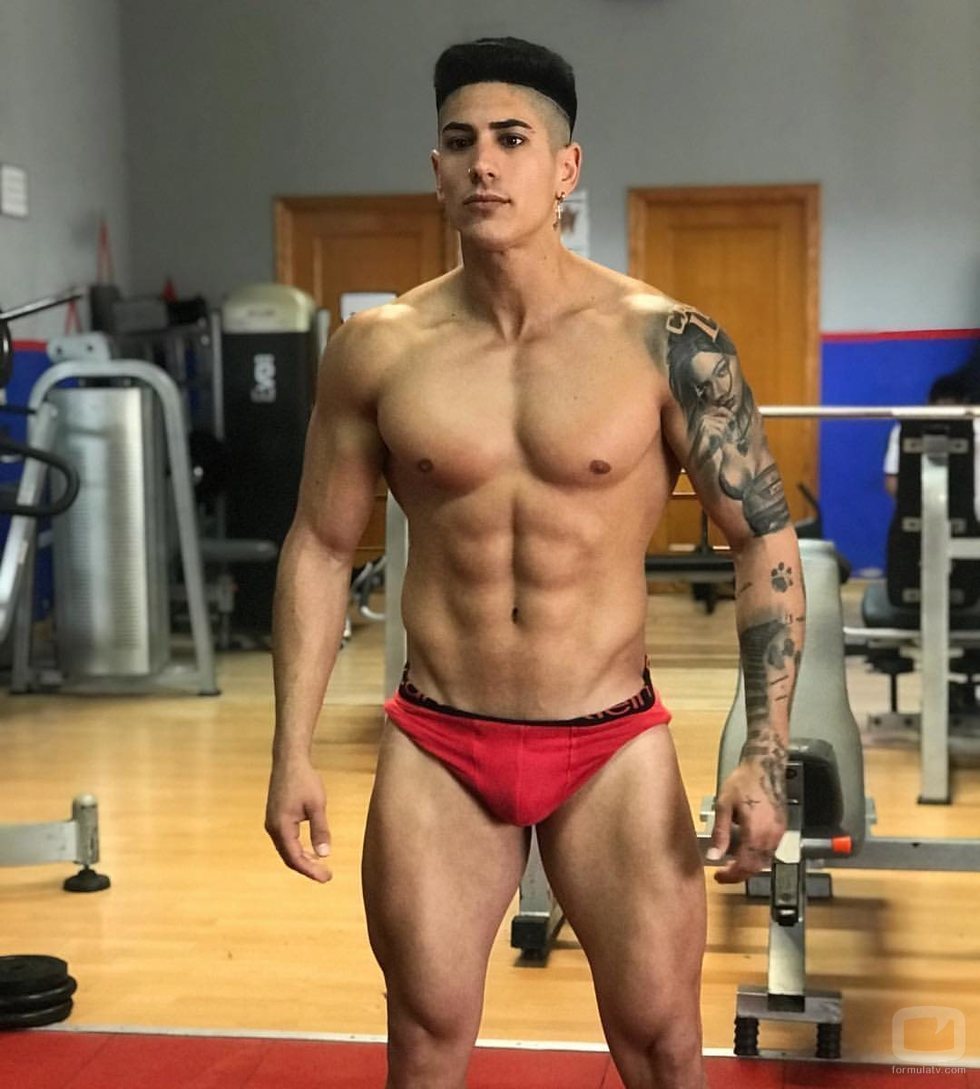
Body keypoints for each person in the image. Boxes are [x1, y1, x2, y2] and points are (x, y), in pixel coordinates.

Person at [265, 37, 804, 1089]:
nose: (484, 163)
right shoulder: (379, 349)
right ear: (434, 168)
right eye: (460, 141)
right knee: (425, 1040)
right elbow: (321, 546)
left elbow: (763, 542)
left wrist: (764, 755)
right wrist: (291, 750)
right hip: (439, 739)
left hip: (608, 741)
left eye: (512, 140)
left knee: (661, 1041)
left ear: (565, 168)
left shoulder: (667, 342)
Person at [883, 372, 980, 519]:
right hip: (923, 517)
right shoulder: (906, 431)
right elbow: (892, 481)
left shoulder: (977, 427)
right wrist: (919, 508)